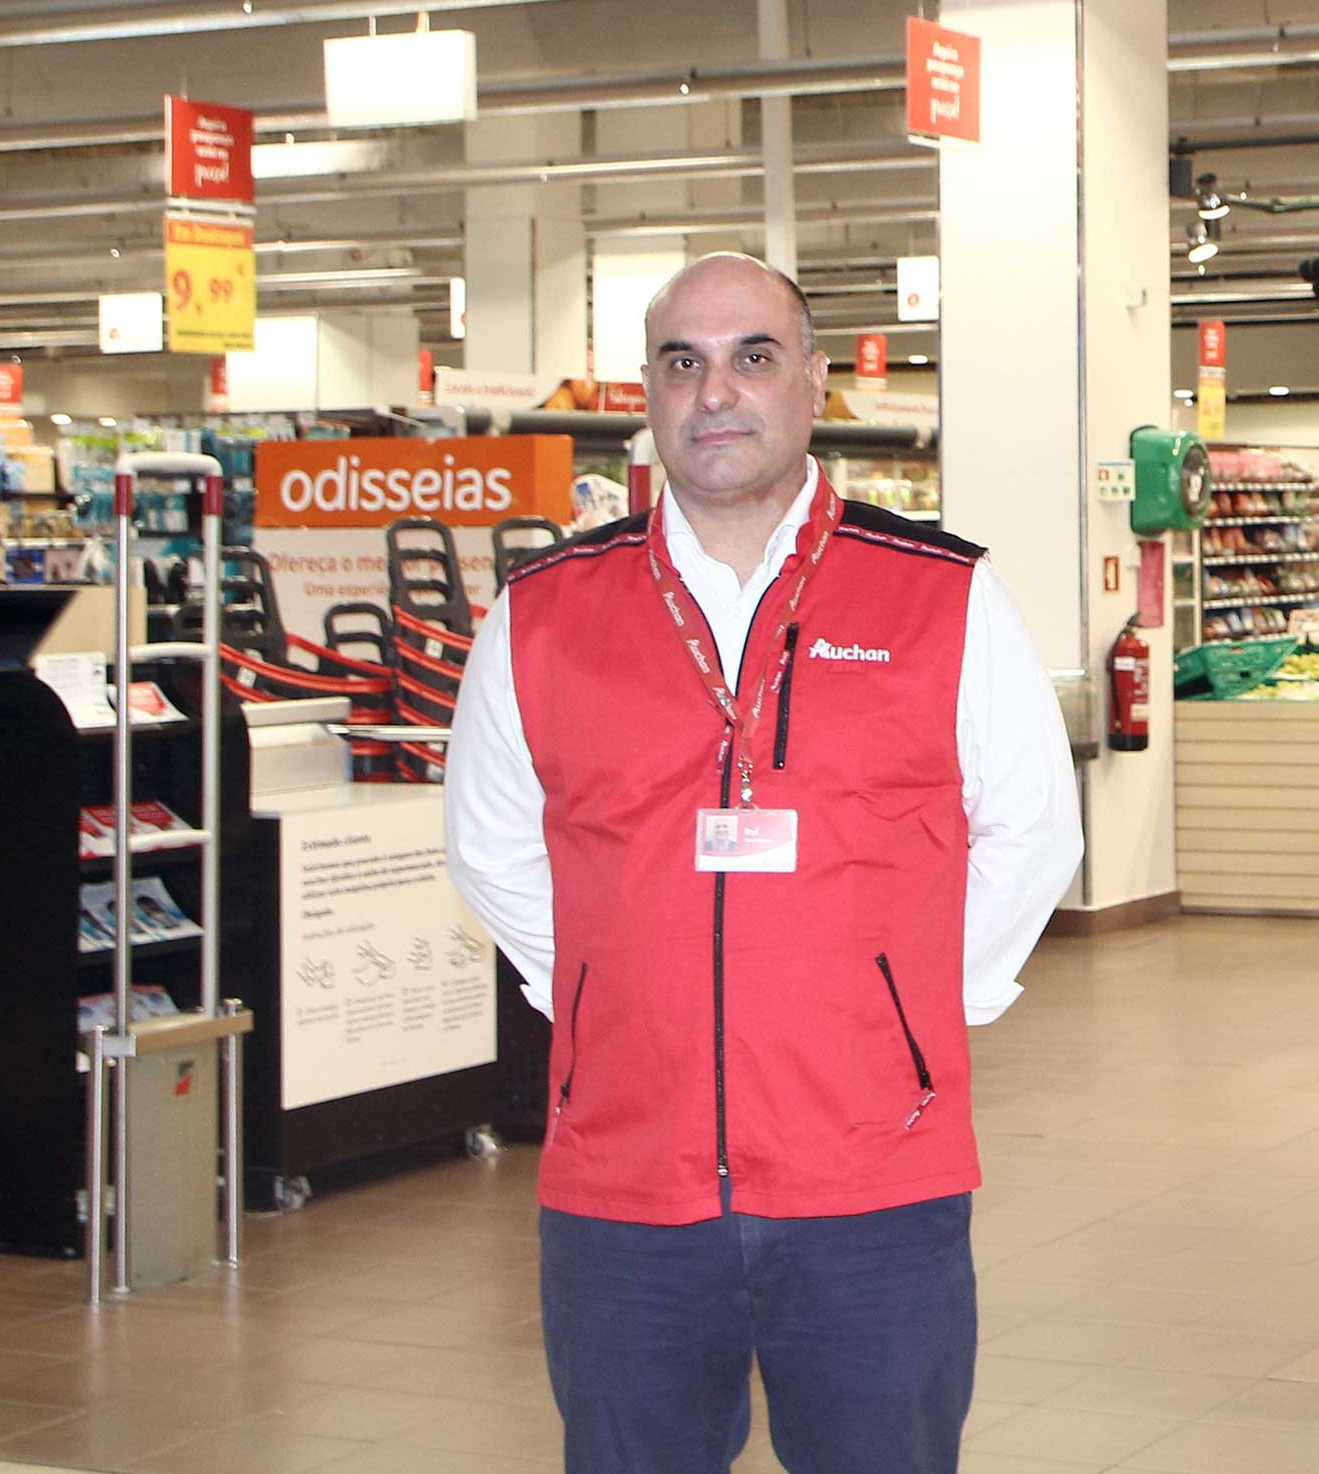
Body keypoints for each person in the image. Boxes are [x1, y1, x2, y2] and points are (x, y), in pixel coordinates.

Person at [443, 254, 1084, 1474]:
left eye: (753, 356)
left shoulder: (941, 594)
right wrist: (601, 994)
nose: (715, 392)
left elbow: (1033, 831)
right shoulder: (543, 611)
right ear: (650, 391)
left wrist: (907, 1011)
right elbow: (492, 844)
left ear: (814, 384)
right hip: (625, 1186)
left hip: (872, 1180)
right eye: (682, 362)